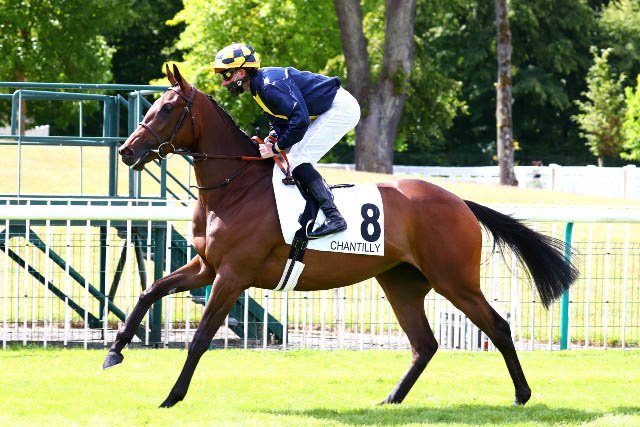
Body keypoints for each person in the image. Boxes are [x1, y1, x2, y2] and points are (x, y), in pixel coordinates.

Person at [212, 43, 361, 239]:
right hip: (329, 108)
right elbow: (279, 120)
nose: (223, 83)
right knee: (294, 159)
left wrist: (275, 148)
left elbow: (300, 120)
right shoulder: (259, 87)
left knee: (298, 159)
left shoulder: (268, 85)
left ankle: (334, 217)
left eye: (226, 75)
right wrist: (272, 137)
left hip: (340, 108)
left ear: (241, 72)